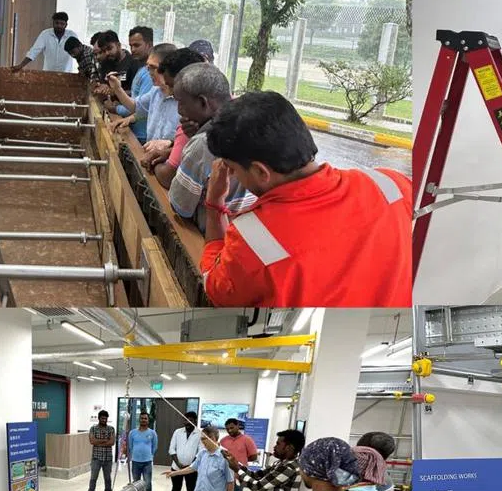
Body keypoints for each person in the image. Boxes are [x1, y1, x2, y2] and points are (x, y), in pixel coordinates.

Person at [199, 91, 413, 307]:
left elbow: (216, 289)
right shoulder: (392, 184)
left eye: (232, 168)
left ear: (261, 172)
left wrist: (214, 206)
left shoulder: (252, 238)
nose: (231, 175)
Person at [168, 62, 250, 228]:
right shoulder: (250, 123)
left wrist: (194, 143)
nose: (179, 110)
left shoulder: (203, 144)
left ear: (203, 102)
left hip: (212, 239)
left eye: (181, 102)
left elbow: (180, 206)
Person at [144, 47, 209, 190]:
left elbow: (168, 176)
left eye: (174, 87)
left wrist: (154, 164)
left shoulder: (191, 125)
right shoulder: (191, 125)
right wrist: (170, 150)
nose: (179, 108)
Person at [112, 43, 181, 161]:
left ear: (169, 68)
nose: (149, 72)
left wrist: (170, 143)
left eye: (154, 67)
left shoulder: (184, 101)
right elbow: (135, 106)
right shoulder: (155, 92)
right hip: (151, 158)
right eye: (148, 67)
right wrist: (117, 89)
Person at [104, 26, 155, 142]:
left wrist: (116, 108)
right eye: (131, 46)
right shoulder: (141, 68)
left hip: (141, 135)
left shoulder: (149, 74)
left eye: (137, 45)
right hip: (134, 131)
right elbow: (136, 101)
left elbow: (140, 108)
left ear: (149, 44)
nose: (133, 50)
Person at [220, 418, 259, 491]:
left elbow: (253, 456)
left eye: (232, 427)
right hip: (223, 476)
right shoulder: (223, 440)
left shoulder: (247, 440)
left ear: (238, 426)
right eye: (227, 429)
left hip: (238, 476)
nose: (229, 430)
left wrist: (240, 461)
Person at [165, 410, 202, 491]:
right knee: (175, 490)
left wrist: (190, 465)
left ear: (195, 421)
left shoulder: (200, 434)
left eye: (190, 420)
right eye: (186, 420)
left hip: (192, 469)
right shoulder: (177, 432)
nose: (187, 422)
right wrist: (178, 463)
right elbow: (171, 448)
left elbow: (200, 452)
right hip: (176, 467)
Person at [12, 11, 77, 73]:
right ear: (53, 23)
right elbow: (34, 51)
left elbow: (79, 53)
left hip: (66, 74)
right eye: (57, 23)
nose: (59, 26)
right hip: (48, 73)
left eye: (62, 24)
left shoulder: (72, 35)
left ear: (66, 25)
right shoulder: (45, 34)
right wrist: (21, 65)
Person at [96, 30, 143, 94]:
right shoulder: (105, 63)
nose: (107, 53)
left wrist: (115, 92)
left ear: (119, 45)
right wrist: (103, 86)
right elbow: (103, 83)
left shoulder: (133, 63)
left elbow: (136, 92)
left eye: (109, 48)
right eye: (104, 51)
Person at [128, 412, 157, 491]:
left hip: (147, 462)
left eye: (145, 418)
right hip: (135, 461)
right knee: (136, 483)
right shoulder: (132, 433)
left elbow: (154, 447)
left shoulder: (152, 433)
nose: (143, 420)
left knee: (147, 483)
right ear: (139, 420)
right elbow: (130, 446)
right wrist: (135, 455)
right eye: (142, 418)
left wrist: (149, 455)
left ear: (148, 420)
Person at [87, 409, 115, 491]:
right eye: (102, 418)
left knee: (107, 479)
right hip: (96, 458)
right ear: (99, 418)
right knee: (93, 479)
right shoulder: (93, 429)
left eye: (105, 418)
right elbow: (92, 441)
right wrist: (105, 440)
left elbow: (112, 442)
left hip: (108, 459)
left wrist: (98, 442)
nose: (104, 420)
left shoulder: (111, 429)